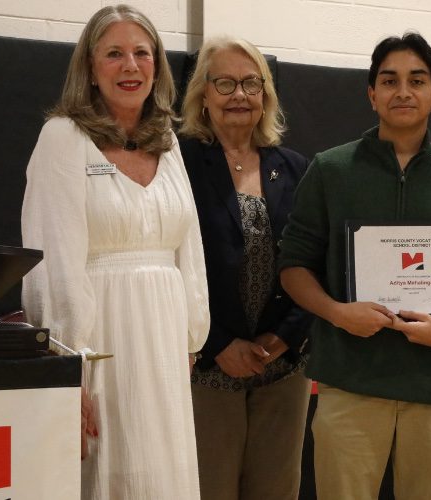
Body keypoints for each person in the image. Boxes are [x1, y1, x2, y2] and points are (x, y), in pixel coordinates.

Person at [279, 32, 431, 500]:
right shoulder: (331, 171)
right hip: (351, 384)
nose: (402, 91)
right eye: (389, 80)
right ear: (371, 94)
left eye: (417, 81)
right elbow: (293, 265)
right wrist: (338, 312)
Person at [21, 5, 209, 499]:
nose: (130, 66)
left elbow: (187, 245)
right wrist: (66, 367)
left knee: (164, 473)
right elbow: (52, 259)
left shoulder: (167, 141)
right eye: (114, 54)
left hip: (165, 344)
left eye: (142, 53)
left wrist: (193, 334)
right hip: (100, 344)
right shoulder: (63, 138)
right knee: (109, 472)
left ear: (157, 65)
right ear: (89, 67)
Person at [178, 36, 311, 500]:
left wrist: (281, 340)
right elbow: (172, 268)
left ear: (266, 93)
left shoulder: (296, 169)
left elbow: (315, 264)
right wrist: (218, 345)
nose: (239, 95)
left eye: (251, 83)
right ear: (203, 94)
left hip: (282, 369)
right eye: (225, 83)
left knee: (277, 490)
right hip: (206, 368)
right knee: (209, 488)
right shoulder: (177, 163)